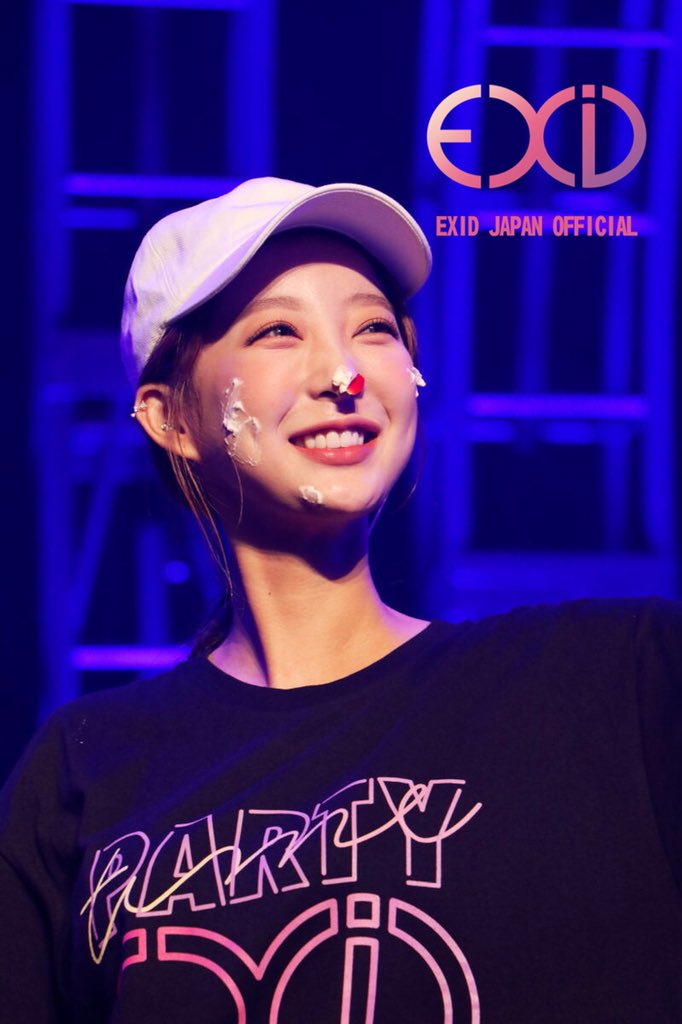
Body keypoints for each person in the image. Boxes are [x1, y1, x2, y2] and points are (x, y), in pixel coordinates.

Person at [0, 176, 680, 1024]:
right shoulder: (86, 767)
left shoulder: (612, 679)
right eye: (278, 331)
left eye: (374, 329)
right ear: (169, 418)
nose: (345, 372)